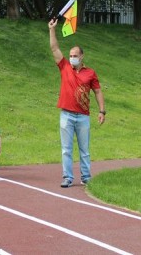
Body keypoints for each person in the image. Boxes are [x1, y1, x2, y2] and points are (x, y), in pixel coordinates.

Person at [48, 18, 106, 188]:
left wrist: (102, 111)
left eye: (75, 56)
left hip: (83, 116)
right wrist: (52, 29)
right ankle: (67, 177)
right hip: (66, 114)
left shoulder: (90, 73)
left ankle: (86, 177)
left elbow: (97, 91)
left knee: (84, 150)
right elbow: (54, 48)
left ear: (82, 56)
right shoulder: (65, 66)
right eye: (71, 56)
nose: (72, 58)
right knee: (66, 149)